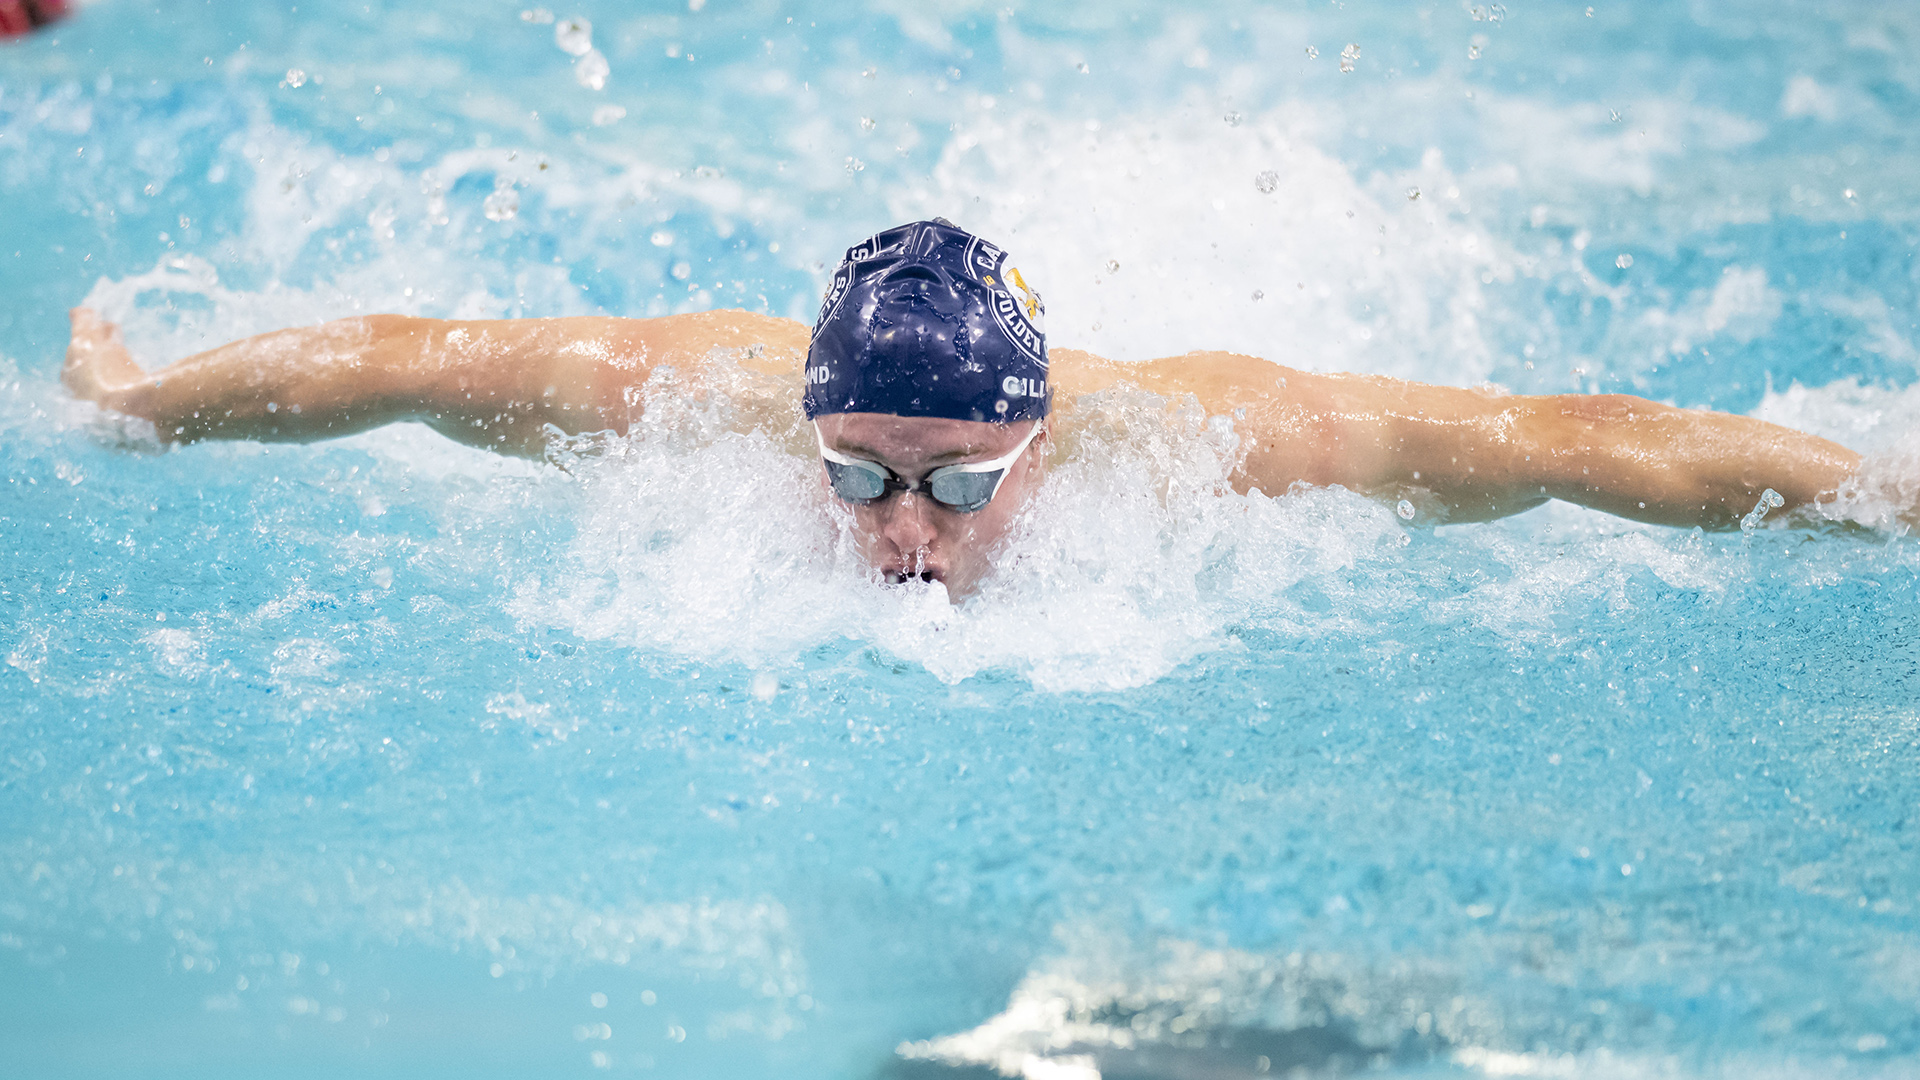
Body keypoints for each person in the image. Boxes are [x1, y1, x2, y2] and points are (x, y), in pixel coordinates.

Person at [63, 219, 1863, 598]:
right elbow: (389, 358)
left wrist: (1885, 487)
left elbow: (1564, 444)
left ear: (1043, 441)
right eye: (852, 476)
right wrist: (140, 407)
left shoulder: (1197, 442)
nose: (903, 535)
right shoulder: (681, 402)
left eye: (956, 489)